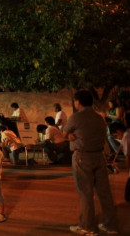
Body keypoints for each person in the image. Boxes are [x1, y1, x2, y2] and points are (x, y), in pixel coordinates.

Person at [64, 89, 118, 235]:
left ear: (78, 102)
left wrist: (70, 136)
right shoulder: (99, 117)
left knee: (86, 193)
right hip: (99, 156)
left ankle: (88, 226)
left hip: (82, 156)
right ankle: (110, 225)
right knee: (104, 192)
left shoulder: (76, 117)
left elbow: (64, 133)